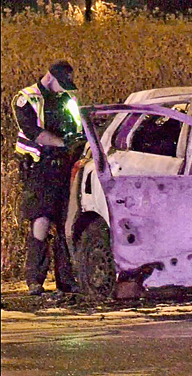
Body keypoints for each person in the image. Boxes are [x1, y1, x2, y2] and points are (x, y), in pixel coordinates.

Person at [12, 61, 85, 296]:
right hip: (38, 166)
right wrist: (64, 143)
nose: (64, 89)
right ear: (50, 77)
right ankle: (35, 280)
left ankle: (65, 280)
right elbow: (35, 134)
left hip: (65, 164)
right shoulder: (26, 98)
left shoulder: (67, 98)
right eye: (61, 84)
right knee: (41, 220)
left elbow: (78, 126)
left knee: (65, 220)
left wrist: (78, 141)